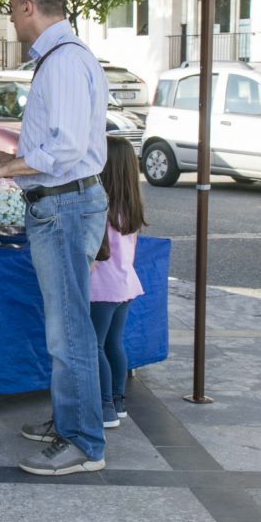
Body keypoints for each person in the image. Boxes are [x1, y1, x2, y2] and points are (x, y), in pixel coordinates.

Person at [0, 0, 109, 476]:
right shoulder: (66, 57)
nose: (10, 18)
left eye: (10, 7)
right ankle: (71, 422)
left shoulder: (62, 62)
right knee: (65, 326)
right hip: (62, 202)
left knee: (68, 332)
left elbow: (64, 149)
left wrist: (3, 167)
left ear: (27, 6)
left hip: (63, 204)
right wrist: (3, 159)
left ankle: (83, 441)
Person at [90, 136, 146, 427]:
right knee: (114, 342)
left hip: (101, 288)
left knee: (95, 345)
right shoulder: (131, 205)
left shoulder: (100, 206)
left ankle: (105, 407)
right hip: (125, 284)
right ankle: (119, 401)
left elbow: (93, 255)